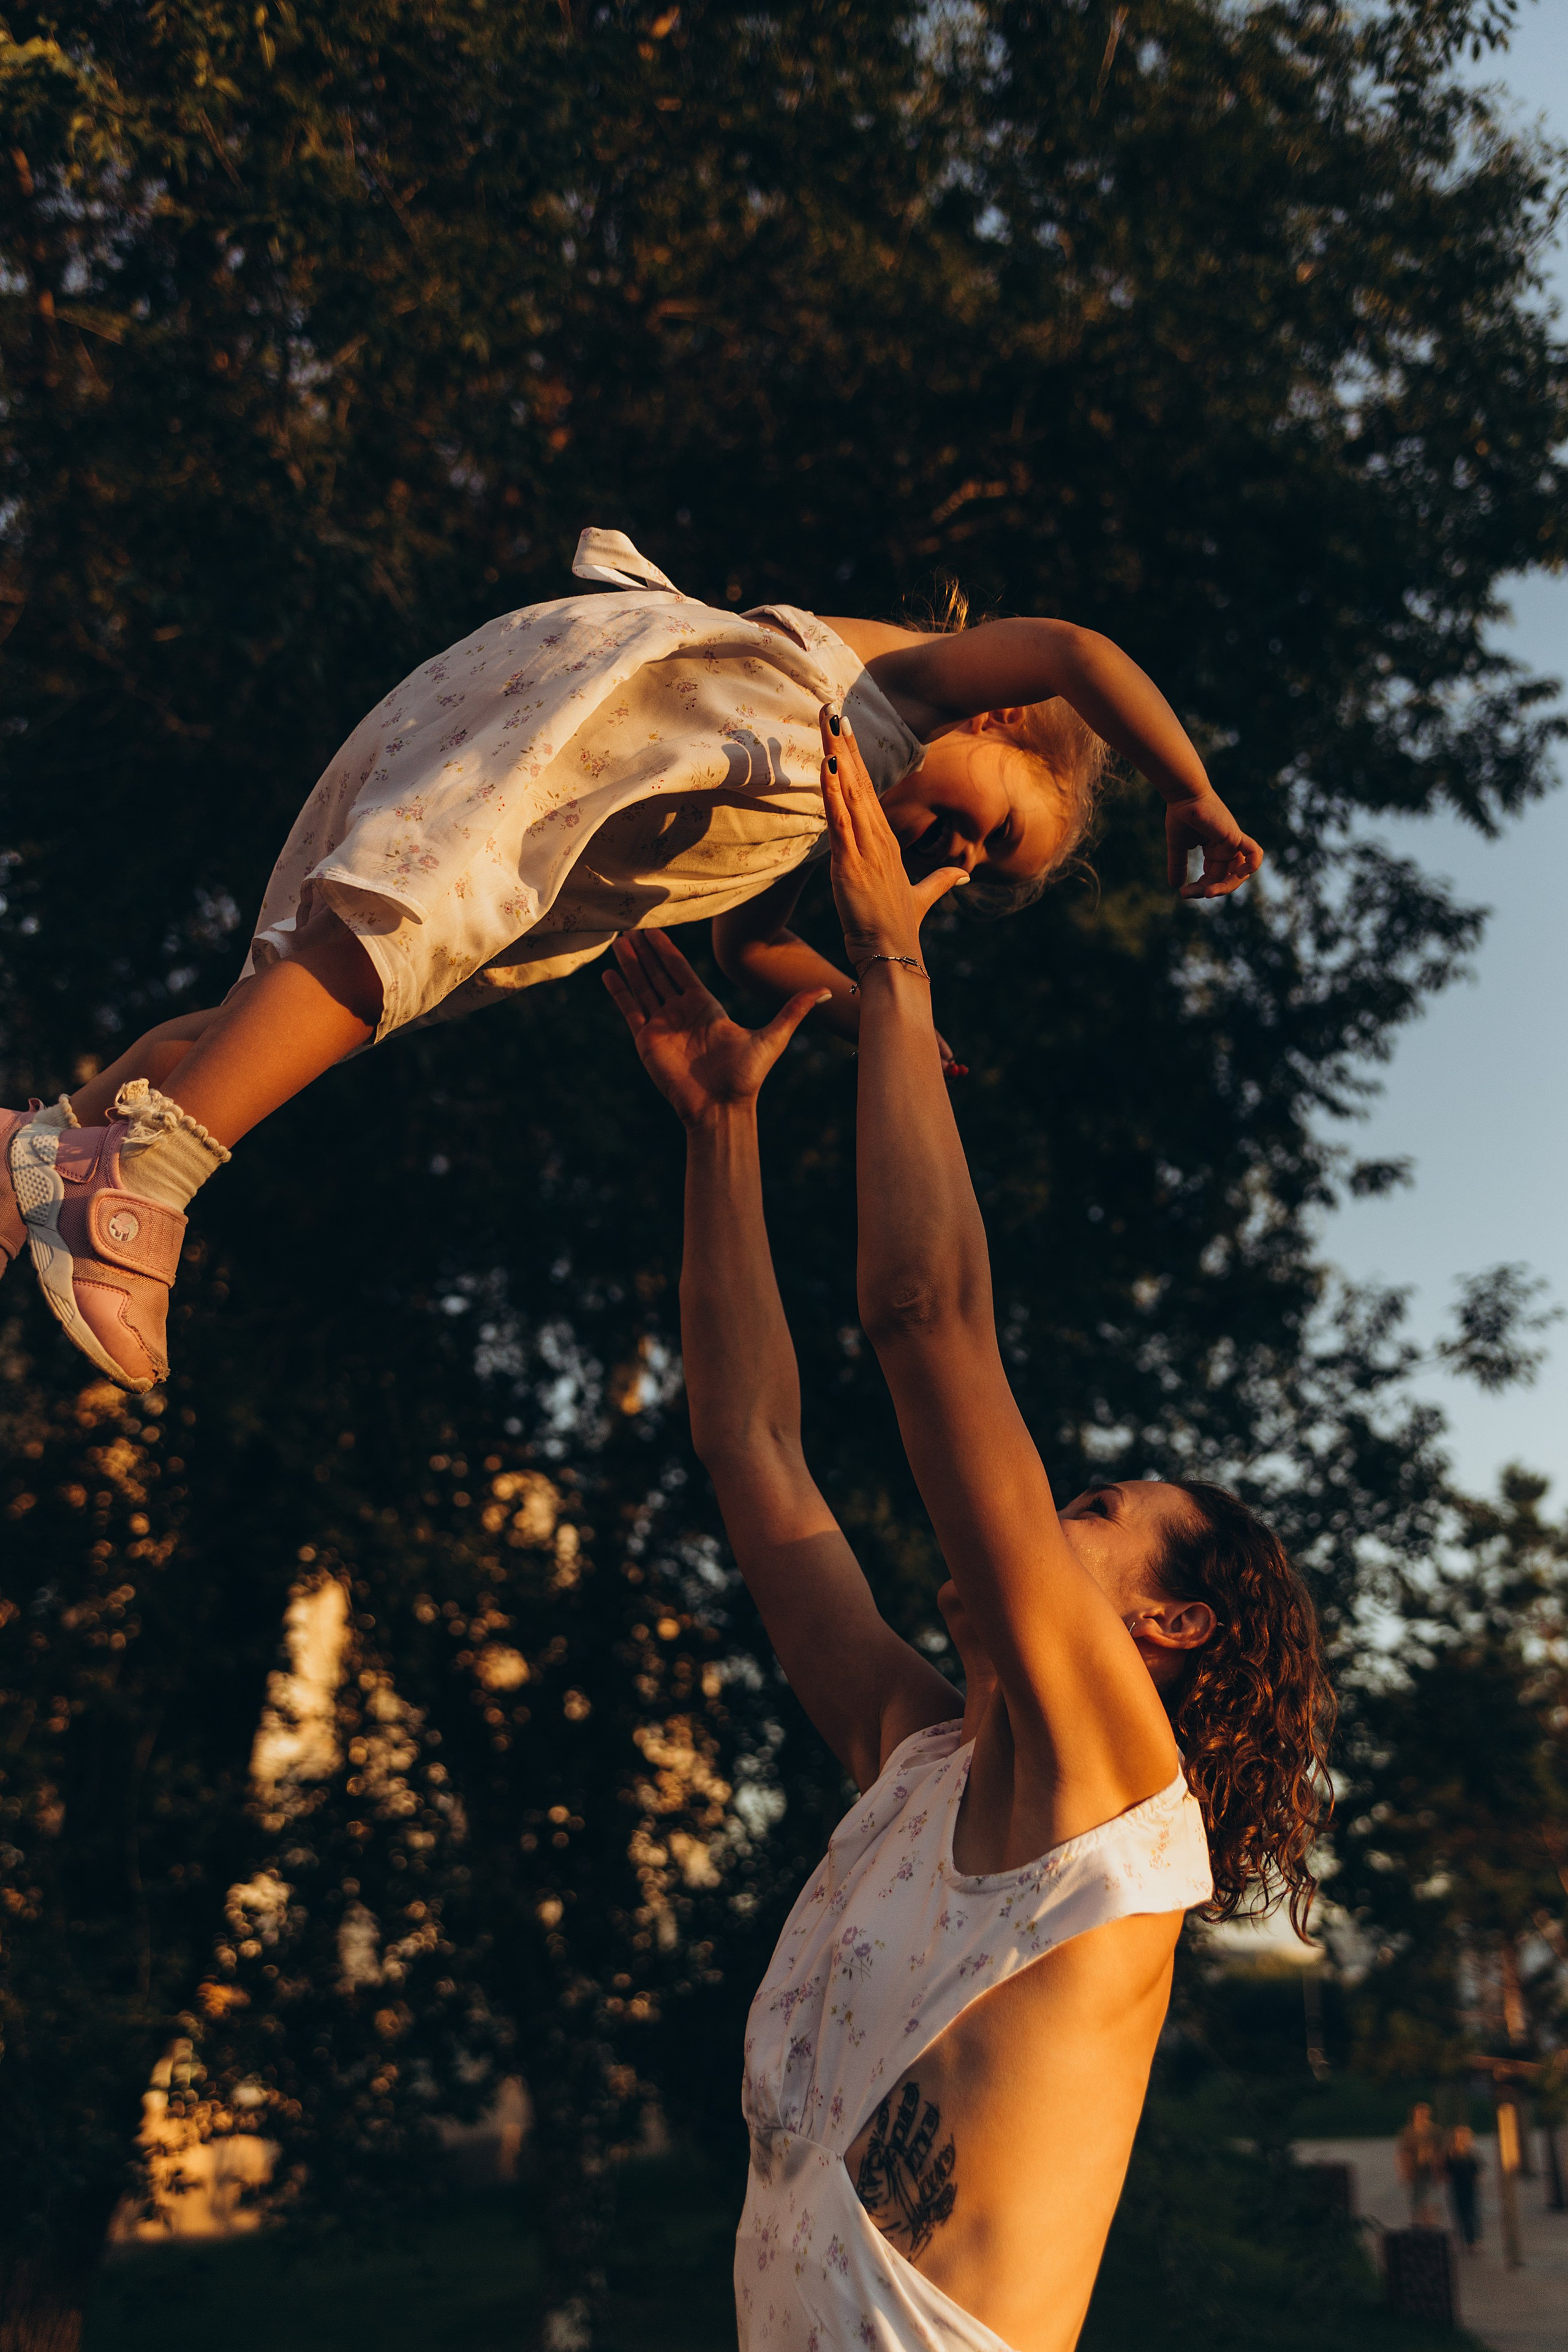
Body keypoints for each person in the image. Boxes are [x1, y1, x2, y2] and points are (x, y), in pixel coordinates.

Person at [605, 715, 1332, 2352]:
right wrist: (724, 1131)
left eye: (1095, 1512)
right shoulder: (924, 1762)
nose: (1040, 1504)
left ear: (1174, 1626)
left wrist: (894, 971)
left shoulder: (1107, 1795)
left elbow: (926, 1317)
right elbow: (755, 1450)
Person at [1, 530, 1261, 1395]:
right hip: (591, 734)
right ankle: (144, 1184)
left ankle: (54, 1142)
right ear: (999, 724)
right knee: (381, 944)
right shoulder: (917, 688)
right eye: (992, 826)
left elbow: (747, 944)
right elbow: (1080, 653)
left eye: (980, 873)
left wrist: (865, 1018)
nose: (960, 850)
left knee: (288, 1013)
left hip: (582, 836)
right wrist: (1190, 790)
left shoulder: (825, 800)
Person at [1395, 2103, 1447, 2226]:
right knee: (1415, 2200)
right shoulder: (1408, 2131)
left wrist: (1441, 2171)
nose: (1421, 2116)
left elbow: (1441, 2152)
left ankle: (1431, 2225)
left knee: (1431, 2199)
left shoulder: (1435, 2131)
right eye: (1419, 2113)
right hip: (1415, 2170)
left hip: (1431, 2170)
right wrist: (1404, 2170)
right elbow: (1403, 2152)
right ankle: (1417, 2225)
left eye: (1424, 2113)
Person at [1446, 2123, 1483, 2247]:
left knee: (1472, 2212)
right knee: (1459, 2212)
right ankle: (1462, 2239)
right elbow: (1447, 2169)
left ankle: (1472, 2240)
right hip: (1457, 2185)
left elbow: (1478, 2168)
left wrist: (1477, 2178)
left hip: (1470, 2186)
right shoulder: (1451, 2152)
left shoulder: (1472, 2152)